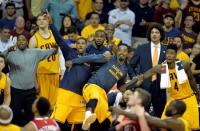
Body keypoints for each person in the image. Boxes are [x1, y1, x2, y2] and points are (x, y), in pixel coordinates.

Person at [49, 19, 111, 131]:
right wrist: (51, 24)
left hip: (80, 98)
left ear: (87, 45)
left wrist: (107, 53)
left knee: (79, 126)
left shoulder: (92, 59)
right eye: (78, 43)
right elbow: (59, 39)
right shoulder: (70, 53)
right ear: (75, 45)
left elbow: (103, 65)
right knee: (56, 124)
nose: (81, 45)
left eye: (83, 43)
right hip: (65, 94)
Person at [135, 44, 200, 128]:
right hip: (173, 100)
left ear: (176, 55)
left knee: (192, 127)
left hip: (188, 98)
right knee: (164, 127)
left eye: (172, 53)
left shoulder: (184, 65)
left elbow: (191, 79)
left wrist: (197, 92)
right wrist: (139, 80)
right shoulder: (161, 68)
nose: (169, 55)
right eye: (167, 53)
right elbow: (144, 75)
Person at [71, 44, 130, 130]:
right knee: (94, 97)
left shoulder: (125, 70)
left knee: (105, 119)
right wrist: (73, 61)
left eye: (124, 50)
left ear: (127, 53)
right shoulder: (109, 58)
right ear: (117, 52)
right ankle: (87, 116)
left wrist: (133, 83)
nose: (122, 52)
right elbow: (91, 58)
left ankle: (87, 124)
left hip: (103, 94)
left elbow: (121, 87)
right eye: (120, 50)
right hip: (92, 86)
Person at [3, 35, 58, 126]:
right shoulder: (11, 54)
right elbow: (1, 58)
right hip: (15, 91)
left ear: (27, 42)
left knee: (32, 116)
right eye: (19, 40)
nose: (21, 41)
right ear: (16, 43)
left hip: (30, 92)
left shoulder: (35, 52)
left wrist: (55, 48)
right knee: (14, 115)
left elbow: (52, 52)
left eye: (23, 39)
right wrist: (8, 50)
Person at [29, 12, 65, 108]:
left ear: (48, 21)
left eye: (44, 19)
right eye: (39, 19)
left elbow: (61, 54)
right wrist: (34, 81)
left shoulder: (55, 36)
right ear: (36, 22)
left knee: (55, 106)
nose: (41, 21)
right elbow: (31, 63)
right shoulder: (33, 39)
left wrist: (62, 70)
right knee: (42, 107)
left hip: (55, 74)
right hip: (42, 75)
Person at [130, 23, 166, 117]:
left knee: (160, 115)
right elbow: (131, 65)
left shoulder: (166, 50)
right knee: (141, 115)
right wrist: (135, 79)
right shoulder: (141, 48)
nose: (154, 34)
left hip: (161, 88)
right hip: (144, 86)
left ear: (161, 35)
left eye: (157, 32)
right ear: (149, 35)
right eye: (152, 32)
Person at [111, 100, 191, 131]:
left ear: (175, 111)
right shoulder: (182, 121)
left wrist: (122, 112)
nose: (167, 107)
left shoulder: (175, 122)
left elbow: (147, 119)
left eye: (169, 106)